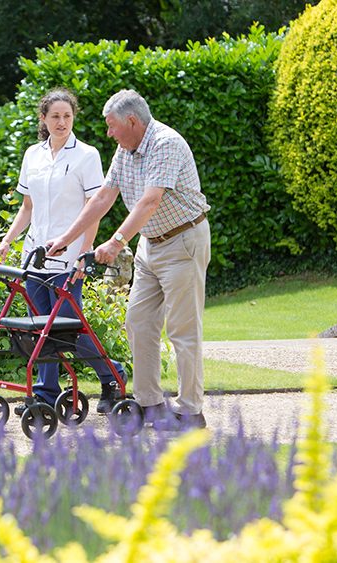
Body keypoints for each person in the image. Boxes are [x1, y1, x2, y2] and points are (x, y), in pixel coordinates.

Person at [46, 89, 211, 430]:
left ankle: (191, 410)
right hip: (150, 245)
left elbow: (149, 201)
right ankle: (150, 404)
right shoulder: (125, 149)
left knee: (183, 329)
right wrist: (67, 238)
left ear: (132, 121)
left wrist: (117, 241)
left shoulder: (167, 144)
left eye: (111, 125)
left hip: (183, 241)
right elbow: (104, 197)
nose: (109, 133)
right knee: (138, 323)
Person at [0, 87, 126, 415]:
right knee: (41, 326)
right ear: (44, 119)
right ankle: (46, 392)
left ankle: (113, 376)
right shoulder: (32, 155)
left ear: (73, 117)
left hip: (69, 258)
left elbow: (94, 207)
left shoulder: (87, 155)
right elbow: (27, 207)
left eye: (67, 116)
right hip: (34, 256)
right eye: (55, 116)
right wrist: (7, 242)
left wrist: (86, 251)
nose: (62, 122)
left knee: (68, 326)